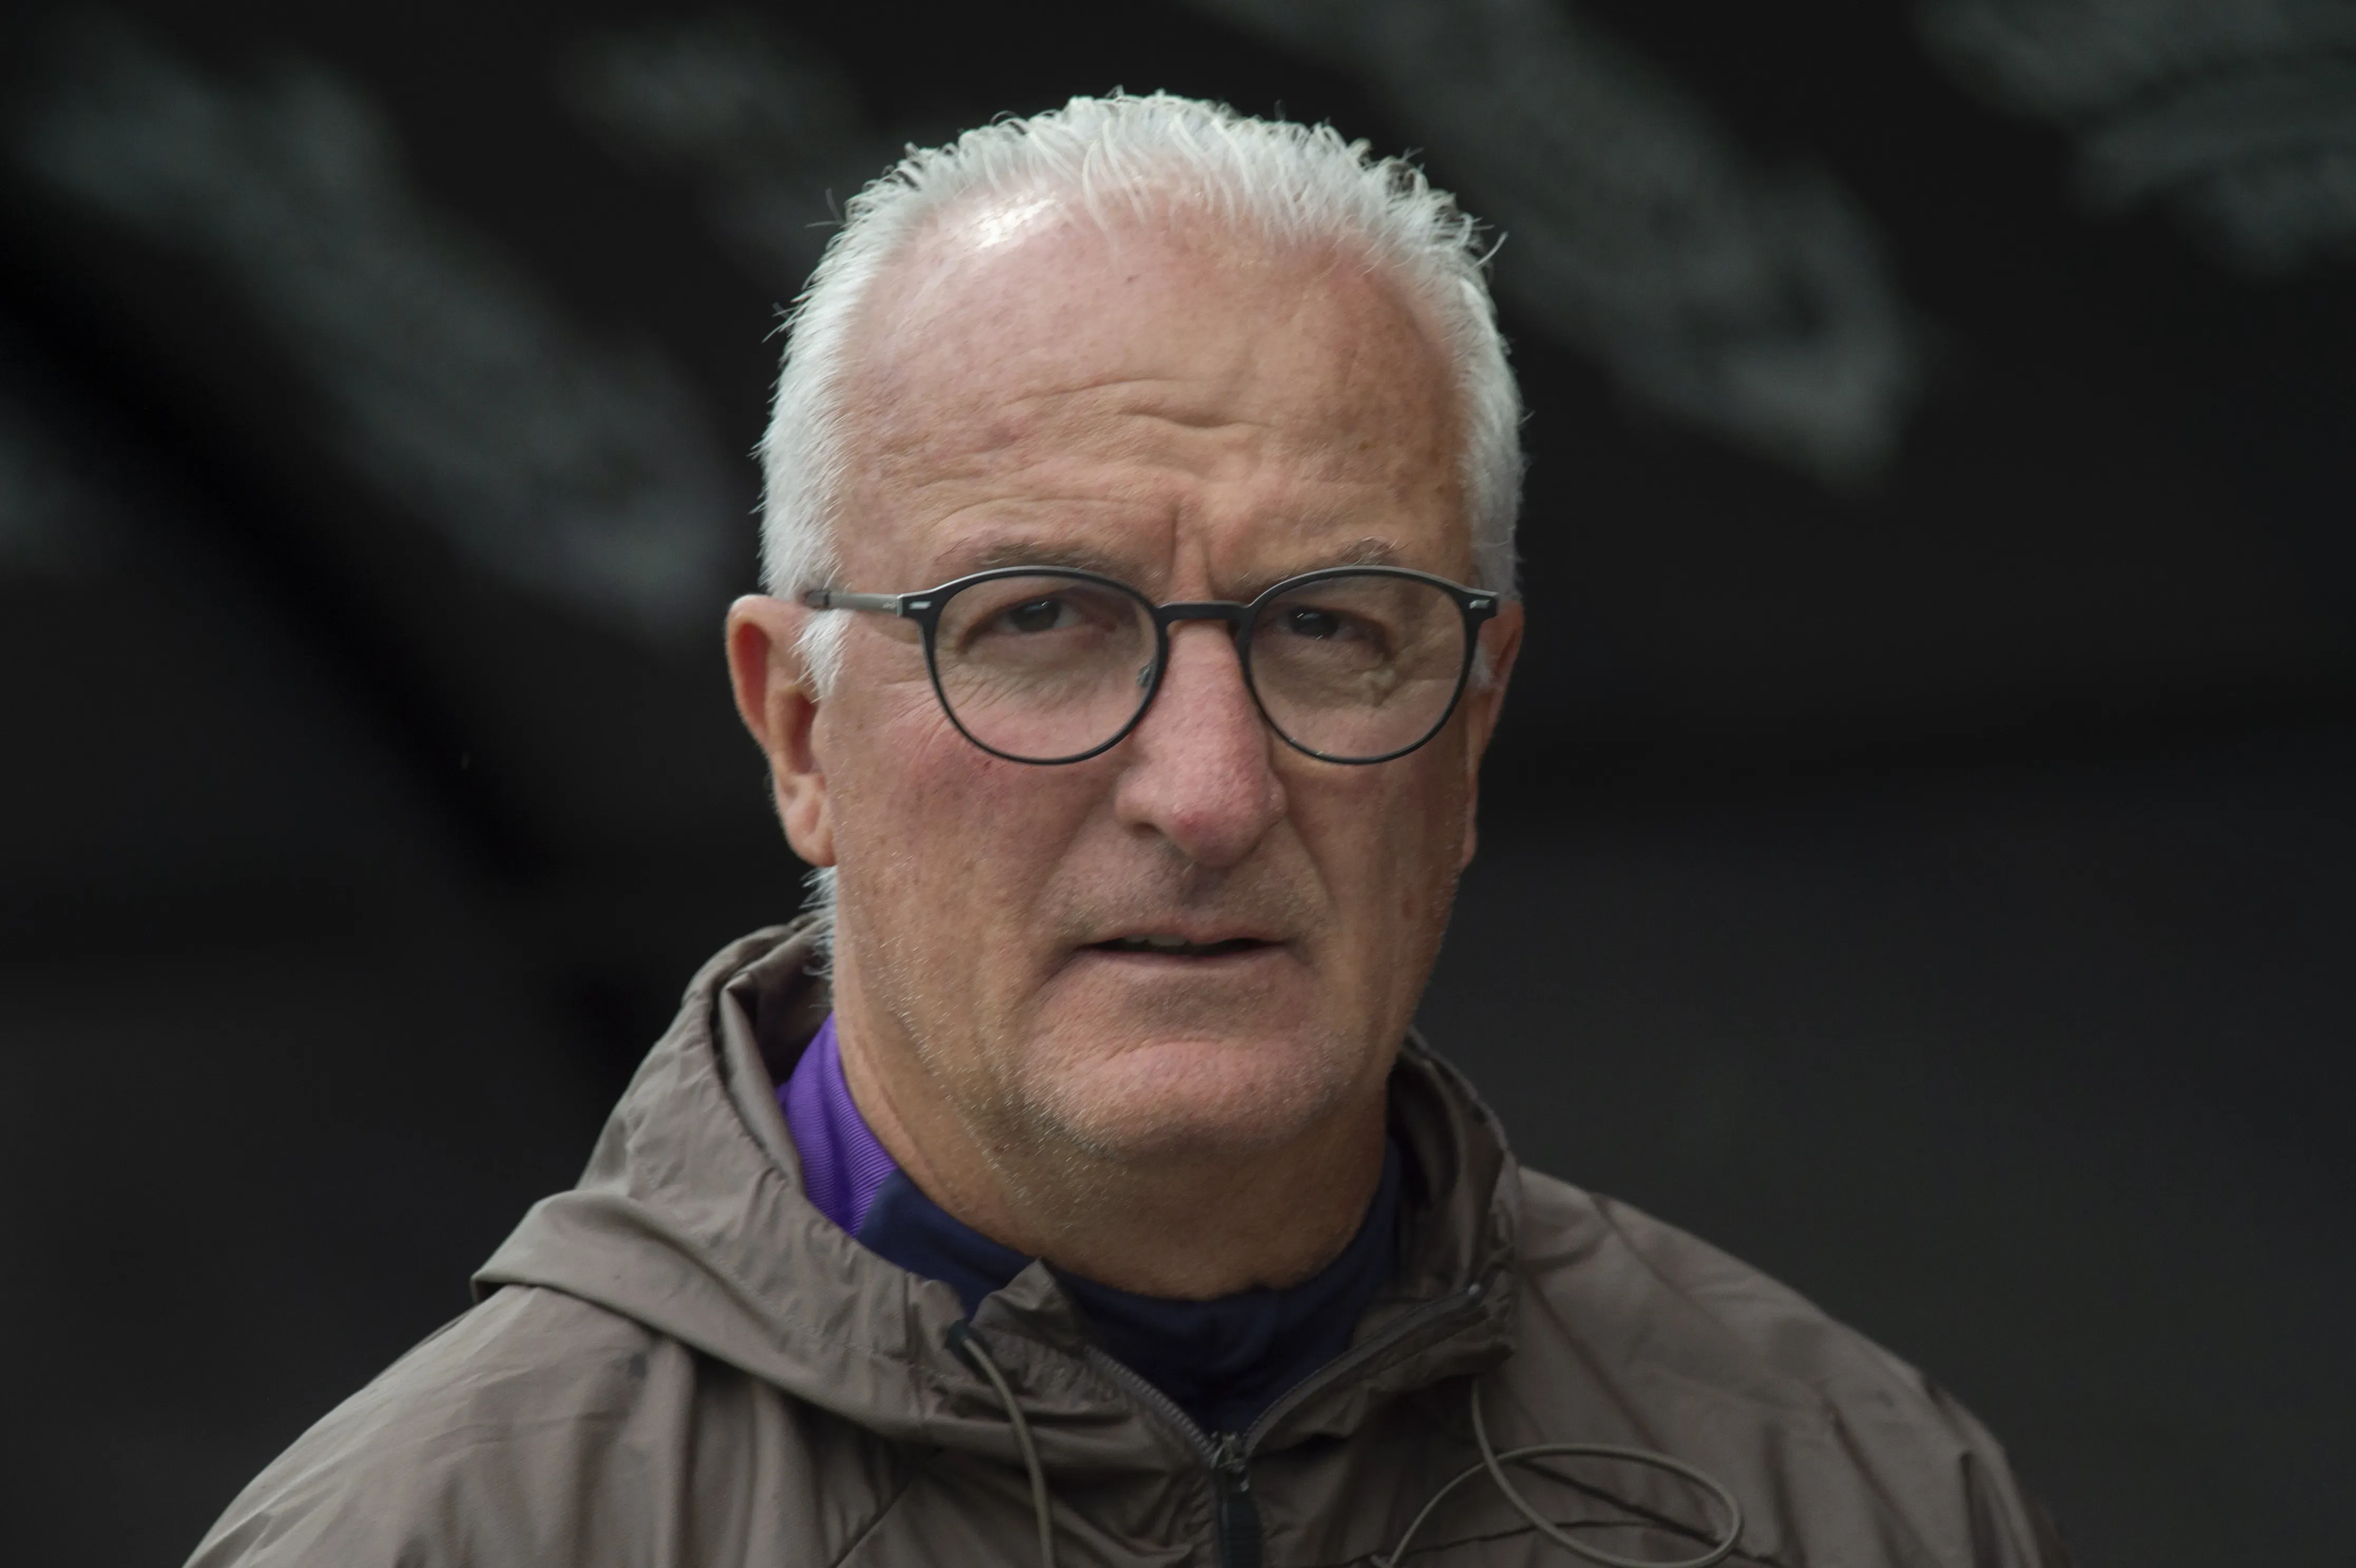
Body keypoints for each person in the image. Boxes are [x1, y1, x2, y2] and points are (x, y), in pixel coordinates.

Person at [188, 94, 2070, 1568]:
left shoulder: (1847, 1496)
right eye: (1038, 621)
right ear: (800, 731)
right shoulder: (440, 1536)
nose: (1208, 790)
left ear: (1474, 730)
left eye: (1329, 627)